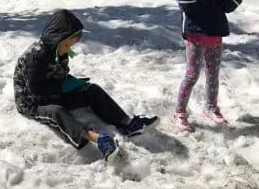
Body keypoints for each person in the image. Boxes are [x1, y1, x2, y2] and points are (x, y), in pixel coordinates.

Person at [13, 8, 158, 162]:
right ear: (56, 39)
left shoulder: (59, 52)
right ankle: (98, 139)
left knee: (92, 90)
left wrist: (73, 82)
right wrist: (63, 87)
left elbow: (58, 75)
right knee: (57, 112)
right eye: (68, 45)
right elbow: (36, 90)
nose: (69, 50)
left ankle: (127, 124)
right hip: (32, 102)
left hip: (53, 93)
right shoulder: (35, 57)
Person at [172, 0, 242, 132]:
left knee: (213, 75)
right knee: (192, 74)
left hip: (215, 35)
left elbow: (230, 7)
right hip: (195, 35)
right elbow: (183, 2)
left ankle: (211, 107)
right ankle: (180, 112)